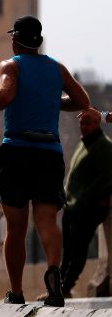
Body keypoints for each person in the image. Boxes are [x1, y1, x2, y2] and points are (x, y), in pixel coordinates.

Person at [0, 15, 90, 307]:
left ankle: (16, 292)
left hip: (17, 149)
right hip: (48, 151)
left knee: (16, 227)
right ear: (38, 41)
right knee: (48, 221)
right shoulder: (57, 69)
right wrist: (55, 102)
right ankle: (54, 275)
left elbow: (6, 90)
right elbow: (82, 100)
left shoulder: (10, 65)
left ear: (15, 39)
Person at [57, 108, 112, 298]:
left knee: (78, 250)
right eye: (82, 123)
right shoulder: (85, 143)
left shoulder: (103, 145)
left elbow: (107, 178)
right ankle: (59, 288)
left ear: (97, 123)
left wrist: (87, 197)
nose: (84, 126)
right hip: (72, 206)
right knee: (68, 250)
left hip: (87, 208)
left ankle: (65, 286)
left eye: (88, 122)